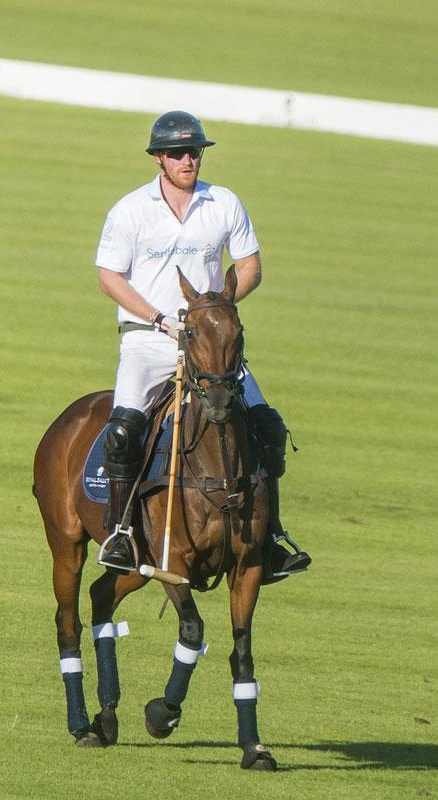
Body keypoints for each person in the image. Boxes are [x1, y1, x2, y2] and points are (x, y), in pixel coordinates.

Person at [95, 110, 311, 580]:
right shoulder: (129, 210)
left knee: (268, 426)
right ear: (158, 159)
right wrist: (156, 317)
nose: (188, 159)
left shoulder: (224, 203)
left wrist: (219, 310)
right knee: (122, 432)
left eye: (194, 151)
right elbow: (108, 275)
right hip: (148, 341)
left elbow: (250, 265)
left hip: (211, 347)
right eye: (177, 153)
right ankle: (121, 533)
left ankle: (272, 536)